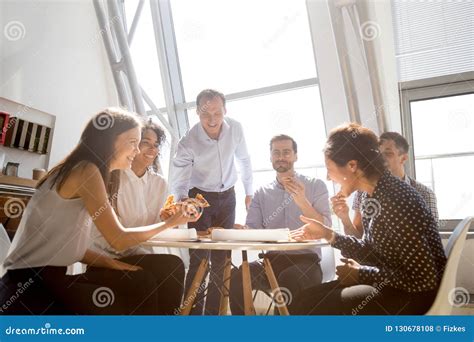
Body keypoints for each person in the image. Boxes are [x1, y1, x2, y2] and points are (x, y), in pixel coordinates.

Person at [0, 108, 198, 315]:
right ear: (109, 140)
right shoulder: (87, 171)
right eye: (133, 143)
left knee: (158, 271)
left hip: (45, 278)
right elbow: (118, 239)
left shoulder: (83, 169)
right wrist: (170, 222)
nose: (138, 151)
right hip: (28, 287)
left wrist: (110, 263)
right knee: (141, 284)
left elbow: (64, 244)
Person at [290, 123, 446, 315]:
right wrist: (327, 234)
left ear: (352, 166)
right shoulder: (368, 195)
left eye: (329, 169)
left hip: (415, 295)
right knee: (302, 299)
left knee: (309, 308)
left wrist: (361, 273)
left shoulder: (396, 198)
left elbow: (423, 279)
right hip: (393, 284)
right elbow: (371, 250)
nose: (328, 177)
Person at [89, 119, 184, 315]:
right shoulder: (112, 178)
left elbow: (159, 229)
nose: (152, 149)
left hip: (139, 255)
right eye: (145, 143)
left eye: (156, 145)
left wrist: (170, 220)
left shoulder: (159, 184)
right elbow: (114, 238)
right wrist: (167, 223)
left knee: (173, 266)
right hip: (107, 258)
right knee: (157, 274)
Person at [171, 89, 253, 315]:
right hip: (200, 197)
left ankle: (214, 316)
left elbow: (244, 160)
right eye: (206, 113)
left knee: (222, 260)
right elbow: (179, 179)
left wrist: (249, 191)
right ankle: (192, 318)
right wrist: (182, 203)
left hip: (228, 196)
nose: (212, 119)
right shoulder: (188, 140)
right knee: (199, 259)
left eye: (218, 112)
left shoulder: (235, 128)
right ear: (197, 113)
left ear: (225, 110)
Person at [229, 134, 331, 315]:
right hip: (270, 261)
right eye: (276, 152)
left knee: (288, 280)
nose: (281, 157)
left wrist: (302, 202)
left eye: (286, 152)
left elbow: (326, 228)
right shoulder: (261, 192)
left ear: (295, 156)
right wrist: (243, 230)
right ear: (270, 157)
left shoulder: (316, 185)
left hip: (306, 262)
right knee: (238, 275)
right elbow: (253, 230)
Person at [332, 131, 439, 238]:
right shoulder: (363, 192)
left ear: (403, 158)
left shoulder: (424, 194)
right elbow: (359, 238)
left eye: (388, 154)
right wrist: (345, 219)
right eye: (378, 154)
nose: (381, 159)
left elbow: (430, 239)